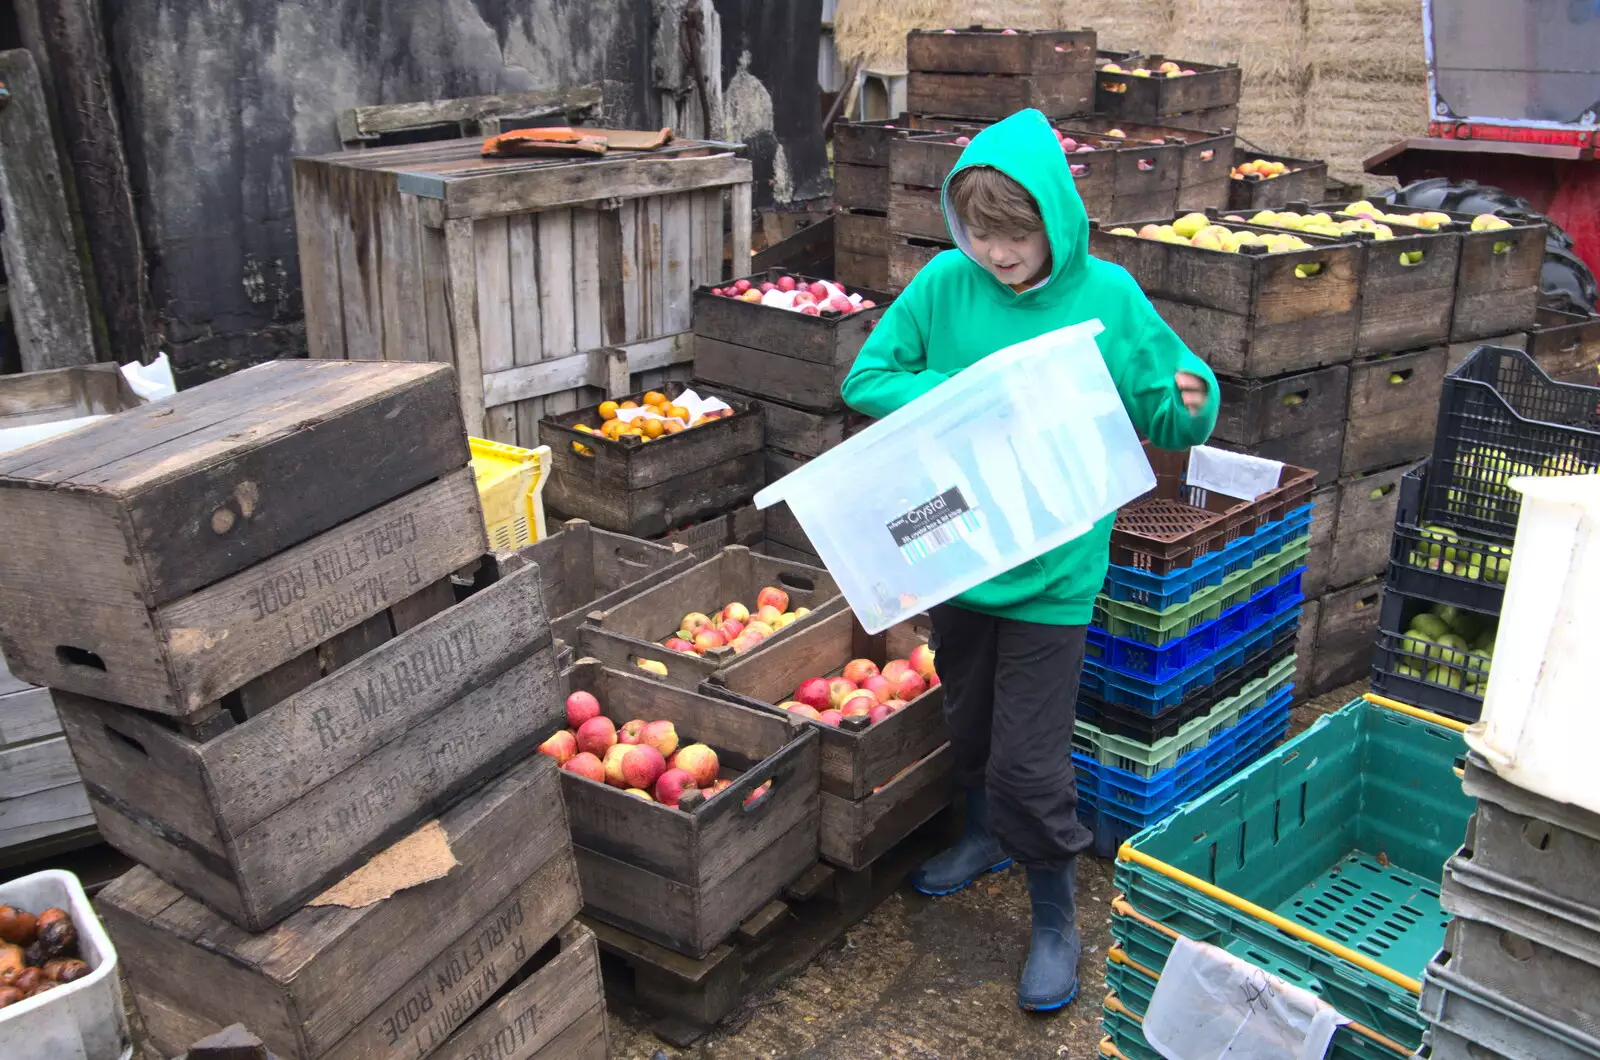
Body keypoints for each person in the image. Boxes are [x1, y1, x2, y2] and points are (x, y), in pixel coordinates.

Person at [839, 108, 1219, 1012]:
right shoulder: (943, 284)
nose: (996, 253)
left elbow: (1167, 408)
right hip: (960, 555)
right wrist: (957, 397)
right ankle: (983, 839)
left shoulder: (1110, 296)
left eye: (1014, 233)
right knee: (967, 727)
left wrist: (1192, 403)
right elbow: (868, 377)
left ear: (1057, 216)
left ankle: (1055, 911)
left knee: (1031, 764)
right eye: (978, 232)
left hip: (1054, 569)